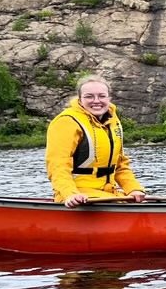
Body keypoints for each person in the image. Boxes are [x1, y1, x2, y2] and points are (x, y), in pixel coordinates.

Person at [45, 75, 146, 208]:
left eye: (102, 96)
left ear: (109, 98)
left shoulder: (113, 122)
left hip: (107, 193)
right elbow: (58, 165)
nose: (96, 101)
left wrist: (133, 189)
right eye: (89, 96)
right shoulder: (66, 122)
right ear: (80, 99)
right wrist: (70, 194)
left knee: (139, 201)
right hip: (80, 195)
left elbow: (120, 165)